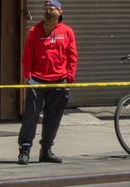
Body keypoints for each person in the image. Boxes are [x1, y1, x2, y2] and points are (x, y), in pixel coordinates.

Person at [17, 0, 77, 165]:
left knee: (53, 118)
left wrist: (69, 77)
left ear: (59, 11)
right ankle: (25, 150)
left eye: (52, 9)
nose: (49, 12)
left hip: (59, 81)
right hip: (37, 80)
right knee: (31, 116)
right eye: (46, 9)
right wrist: (28, 77)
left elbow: (72, 56)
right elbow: (27, 56)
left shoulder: (66, 32)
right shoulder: (34, 31)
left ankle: (46, 150)